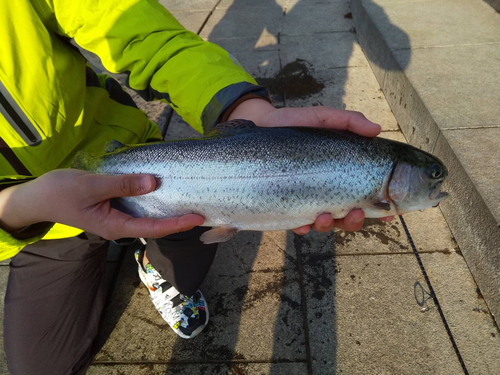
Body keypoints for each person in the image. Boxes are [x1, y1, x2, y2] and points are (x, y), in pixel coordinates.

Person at [0, 0, 392, 373]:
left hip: (139, 170)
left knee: (188, 259)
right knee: (41, 367)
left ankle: (154, 266)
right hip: (32, 221)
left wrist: (241, 108)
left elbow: (147, 36)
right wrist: (18, 209)